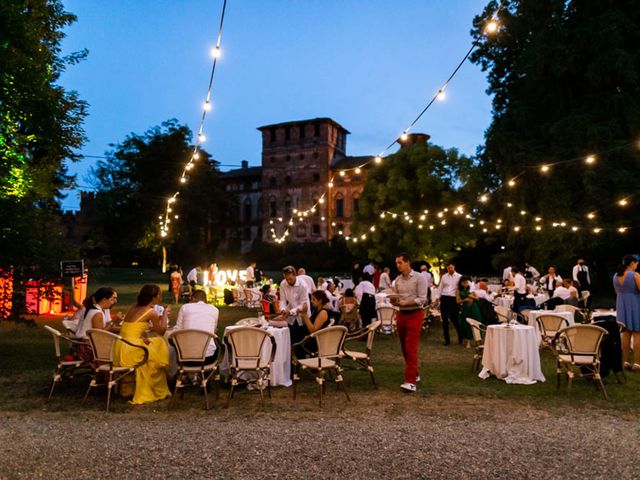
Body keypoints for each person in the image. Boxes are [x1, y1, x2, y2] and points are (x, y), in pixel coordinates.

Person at [114, 284, 171, 405]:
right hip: (131, 349)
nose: (160, 298)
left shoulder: (133, 308)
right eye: (159, 295)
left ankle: (137, 386)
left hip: (121, 346)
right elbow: (161, 331)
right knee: (159, 344)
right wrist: (165, 313)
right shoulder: (151, 312)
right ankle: (154, 387)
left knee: (153, 345)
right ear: (154, 298)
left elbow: (130, 329)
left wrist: (141, 337)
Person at [389, 253, 428, 393]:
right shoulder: (397, 280)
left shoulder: (419, 278)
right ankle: (415, 373)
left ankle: (410, 381)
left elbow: (422, 299)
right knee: (404, 347)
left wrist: (406, 302)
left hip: (415, 313)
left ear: (407, 262)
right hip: (402, 314)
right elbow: (397, 299)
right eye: (396, 263)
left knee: (411, 346)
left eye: (400, 262)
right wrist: (393, 301)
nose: (398, 265)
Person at [173, 289, 219, 363]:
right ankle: (206, 373)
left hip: (185, 357)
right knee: (216, 346)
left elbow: (177, 331)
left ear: (193, 298)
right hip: (207, 357)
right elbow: (213, 331)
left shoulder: (185, 307)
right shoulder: (214, 309)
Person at [613, 255, 640, 370]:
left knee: (625, 333)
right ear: (632, 263)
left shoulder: (615, 276)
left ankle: (625, 361)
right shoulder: (635, 275)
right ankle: (637, 363)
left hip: (621, 305)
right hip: (635, 305)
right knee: (637, 333)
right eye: (637, 263)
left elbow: (616, 291)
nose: (637, 265)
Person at [279, 266, 312, 350]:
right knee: (291, 341)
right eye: (287, 279)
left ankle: (301, 361)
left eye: (290, 279)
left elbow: (303, 304)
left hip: (303, 316)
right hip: (291, 317)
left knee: (302, 343)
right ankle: (292, 361)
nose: (288, 281)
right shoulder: (283, 284)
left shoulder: (303, 285)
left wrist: (290, 312)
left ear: (295, 275)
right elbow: (282, 300)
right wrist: (283, 309)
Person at [435, 261, 462, 346]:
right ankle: (447, 340)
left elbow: (464, 287)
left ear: (454, 267)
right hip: (444, 298)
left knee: (455, 319)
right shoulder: (444, 277)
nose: (450, 269)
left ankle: (461, 337)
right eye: (448, 268)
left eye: (451, 267)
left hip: (453, 299)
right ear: (447, 268)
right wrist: (437, 298)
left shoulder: (459, 276)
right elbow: (440, 288)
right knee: (445, 320)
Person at [457, 276, 482, 347]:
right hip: (465, 308)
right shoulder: (458, 290)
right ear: (461, 283)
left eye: (467, 282)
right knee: (465, 324)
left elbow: (478, 298)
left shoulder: (471, 290)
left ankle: (478, 340)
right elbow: (458, 301)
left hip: (474, 307)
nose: (465, 284)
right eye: (464, 282)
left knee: (476, 322)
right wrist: (465, 300)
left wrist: (471, 296)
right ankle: (467, 341)